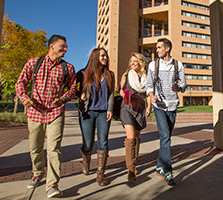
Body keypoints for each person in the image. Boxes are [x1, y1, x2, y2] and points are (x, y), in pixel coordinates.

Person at [15, 34, 76, 198]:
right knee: (35, 147)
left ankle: (52, 185)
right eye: (62, 46)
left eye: (66, 46)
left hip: (55, 113)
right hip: (35, 112)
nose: (65, 49)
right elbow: (20, 82)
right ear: (52, 46)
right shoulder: (34, 63)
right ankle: (37, 173)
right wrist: (24, 98)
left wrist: (62, 99)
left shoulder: (68, 68)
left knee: (54, 149)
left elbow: (72, 89)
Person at [145, 38, 186, 186]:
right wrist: (151, 95)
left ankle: (159, 167)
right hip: (159, 105)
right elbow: (148, 84)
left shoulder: (178, 65)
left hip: (173, 105)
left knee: (165, 138)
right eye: (157, 48)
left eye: (159, 48)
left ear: (167, 48)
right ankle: (168, 171)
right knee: (166, 136)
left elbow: (184, 84)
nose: (157, 50)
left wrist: (179, 88)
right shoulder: (153, 65)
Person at [76, 48, 115, 186]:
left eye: (106, 55)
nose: (105, 57)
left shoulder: (110, 74)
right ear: (95, 57)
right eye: (102, 55)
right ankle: (86, 163)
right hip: (87, 113)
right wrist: (80, 95)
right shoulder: (83, 73)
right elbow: (73, 89)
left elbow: (111, 93)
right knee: (88, 143)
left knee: (103, 142)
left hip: (104, 113)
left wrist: (110, 108)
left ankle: (100, 174)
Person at [119, 52, 151, 183]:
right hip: (127, 108)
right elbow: (122, 90)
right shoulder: (127, 75)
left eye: (134, 61)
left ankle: (134, 163)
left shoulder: (146, 77)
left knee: (136, 138)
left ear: (141, 63)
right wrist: (126, 99)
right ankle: (130, 170)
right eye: (131, 61)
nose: (132, 63)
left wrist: (149, 107)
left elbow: (148, 93)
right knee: (131, 137)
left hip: (140, 108)